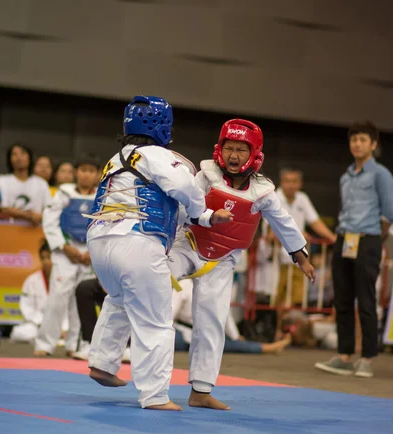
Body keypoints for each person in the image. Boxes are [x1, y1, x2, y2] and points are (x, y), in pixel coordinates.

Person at [86, 95, 230, 412]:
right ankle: (155, 396)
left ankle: (102, 363)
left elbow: (159, 202)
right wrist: (201, 209)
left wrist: (202, 218)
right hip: (137, 241)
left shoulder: (117, 156)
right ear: (164, 128)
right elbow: (186, 189)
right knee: (156, 320)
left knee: (119, 298)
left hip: (100, 241)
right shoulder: (160, 156)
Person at [167, 118, 315, 410]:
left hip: (222, 261)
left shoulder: (262, 191)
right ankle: (109, 358)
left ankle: (200, 390)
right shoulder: (206, 175)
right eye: (229, 147)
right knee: (153, 283)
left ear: (254, 154)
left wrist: (301, 257)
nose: (234, 155)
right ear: (219, 148)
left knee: (212, 321)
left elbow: (283, 223)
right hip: (189, 244)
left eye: (241, 150)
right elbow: (184, 205)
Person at [316, 121, 393, 378]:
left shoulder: (380, 174)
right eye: (354, 140)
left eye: (363, 140)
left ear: (373, 144)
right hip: (343, 239)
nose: (357, 144)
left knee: (367, 299)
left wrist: (374, 238)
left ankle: (368, 358)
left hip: (367, 239)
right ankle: (345, 355)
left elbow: (389, 212)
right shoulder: (345, 177)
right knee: (343, 299)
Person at [33, 155, 100, 356]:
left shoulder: (102, 196)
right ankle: (45, 344)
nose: (86, 174)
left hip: (90, 253)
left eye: (91, 170)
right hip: (66, 251)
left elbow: (106, 224)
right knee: (57, 298)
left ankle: (75, 345)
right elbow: (50, 221)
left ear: (97, 175)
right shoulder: (65, 192)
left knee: (82, 301)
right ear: (76, 172)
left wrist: (94, 250)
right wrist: (63, 246)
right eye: (82, 169)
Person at [268, 169, 336, 340]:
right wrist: (300, 233)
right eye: (287, 181)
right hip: (276, 259)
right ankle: (278, 332)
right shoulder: (273, 197)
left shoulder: (303, 199)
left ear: (300, 184)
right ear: (281, 182)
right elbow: (270, 232)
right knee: (278, 299)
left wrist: (333, 239)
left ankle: (290, 334)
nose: (290, 185)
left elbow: (315, 222)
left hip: (299, 259)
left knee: (296, 299)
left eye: (294, 181)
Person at [173, 279, 291, 354]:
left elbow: (225, 314)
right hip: (183, 333)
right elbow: (171, 313)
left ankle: (267, 348)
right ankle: (267, 348)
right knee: (166, 341)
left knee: (230, 344)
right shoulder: (184, 285)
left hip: (208, 332)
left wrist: (235, 335)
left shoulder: (214, 286)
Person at [73, 277, 131, 363]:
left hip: (132, 282)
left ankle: (130, 346)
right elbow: (99, 264)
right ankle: (92, 345)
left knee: (134, 293)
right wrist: (103, 279)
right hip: (109, 279)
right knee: (84, 288)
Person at [0, 144, 52, 225]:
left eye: (23, 153)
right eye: (14, 154)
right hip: (7, 228)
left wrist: (41, 217)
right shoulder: (1, 180)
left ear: (29, 157)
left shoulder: (41, 183)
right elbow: (2, 208)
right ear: (9, 159)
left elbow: (49, 209)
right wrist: (27, 215)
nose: (19, 158)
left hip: (35, 230)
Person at [10, 241, 52, 343]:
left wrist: (62, 327)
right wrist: (41, 323)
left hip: (61, 326)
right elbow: (26, 307)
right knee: (20, 333)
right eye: (43, 258)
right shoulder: (31, 280)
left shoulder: (66, 280)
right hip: (37, 324)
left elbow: (70, 310)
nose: (46, 262)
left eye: (49, 258)